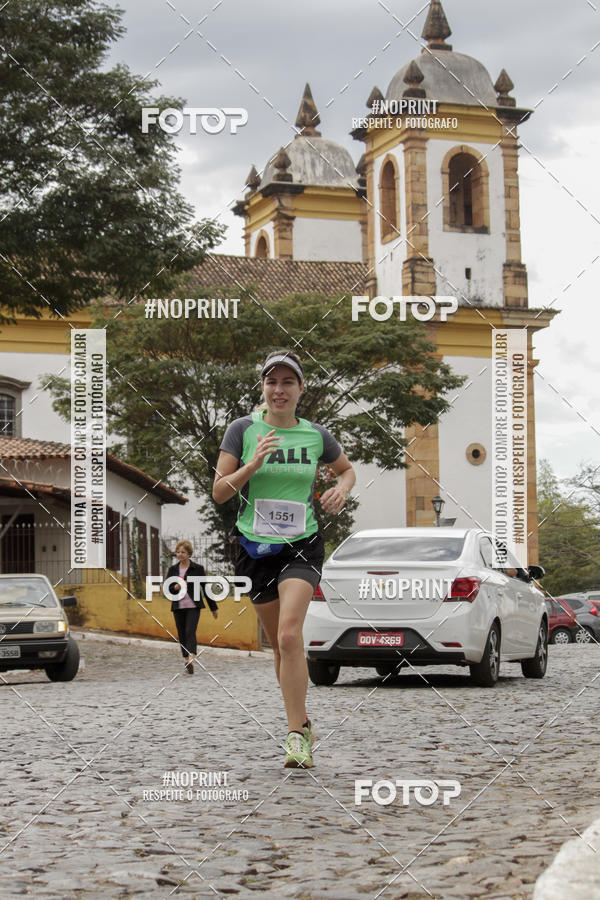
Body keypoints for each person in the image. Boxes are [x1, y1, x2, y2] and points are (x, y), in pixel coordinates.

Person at [212, 349, 356, 767]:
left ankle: (295, 736)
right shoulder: (242, 430)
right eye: (272, 382)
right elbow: (220, 491)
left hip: (302, 544)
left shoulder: (316, 435)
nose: (279, 389)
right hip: (254, 547)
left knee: (291, 635)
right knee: (279, 645)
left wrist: (341, 489)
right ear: (263, 387)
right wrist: (252, 465)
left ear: (300, 388)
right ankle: (304, 720)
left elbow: (346, 469)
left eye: (287, 382)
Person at [167, 540, 218, 674]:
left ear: (189, 553)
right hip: (178, 606)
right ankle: (186, 659)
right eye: (178, 552)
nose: (180, 554)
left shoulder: (198, 569)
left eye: (183, 552)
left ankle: (191, 658)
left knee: (190, 630)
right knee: (182, 633)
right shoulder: (172, 570)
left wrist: (213, 607)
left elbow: (205, 588)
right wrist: (176, 587)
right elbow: (168, 590)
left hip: (193, 606)